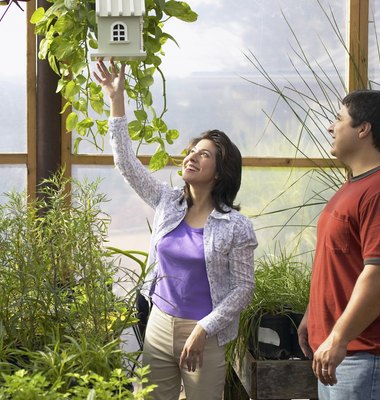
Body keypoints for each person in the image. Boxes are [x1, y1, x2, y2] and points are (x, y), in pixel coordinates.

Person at [94, 59, 257, 400]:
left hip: (203, 334)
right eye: (192, 151)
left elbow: (243, 288)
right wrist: (115, 102)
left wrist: (204, 328)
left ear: (221, 171)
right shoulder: (168, 202)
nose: (191, 157)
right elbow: (126, 164)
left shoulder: (236, 227)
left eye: (205, 155)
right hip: (158, 323)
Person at [297, 90, 380, 400]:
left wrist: (338, 336)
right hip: (347, 352)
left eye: (339, 120)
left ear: (363, 129)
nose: (331, 127)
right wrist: (313, 314)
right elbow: (343, 259)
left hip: (370, 356)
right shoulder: (358, 183)